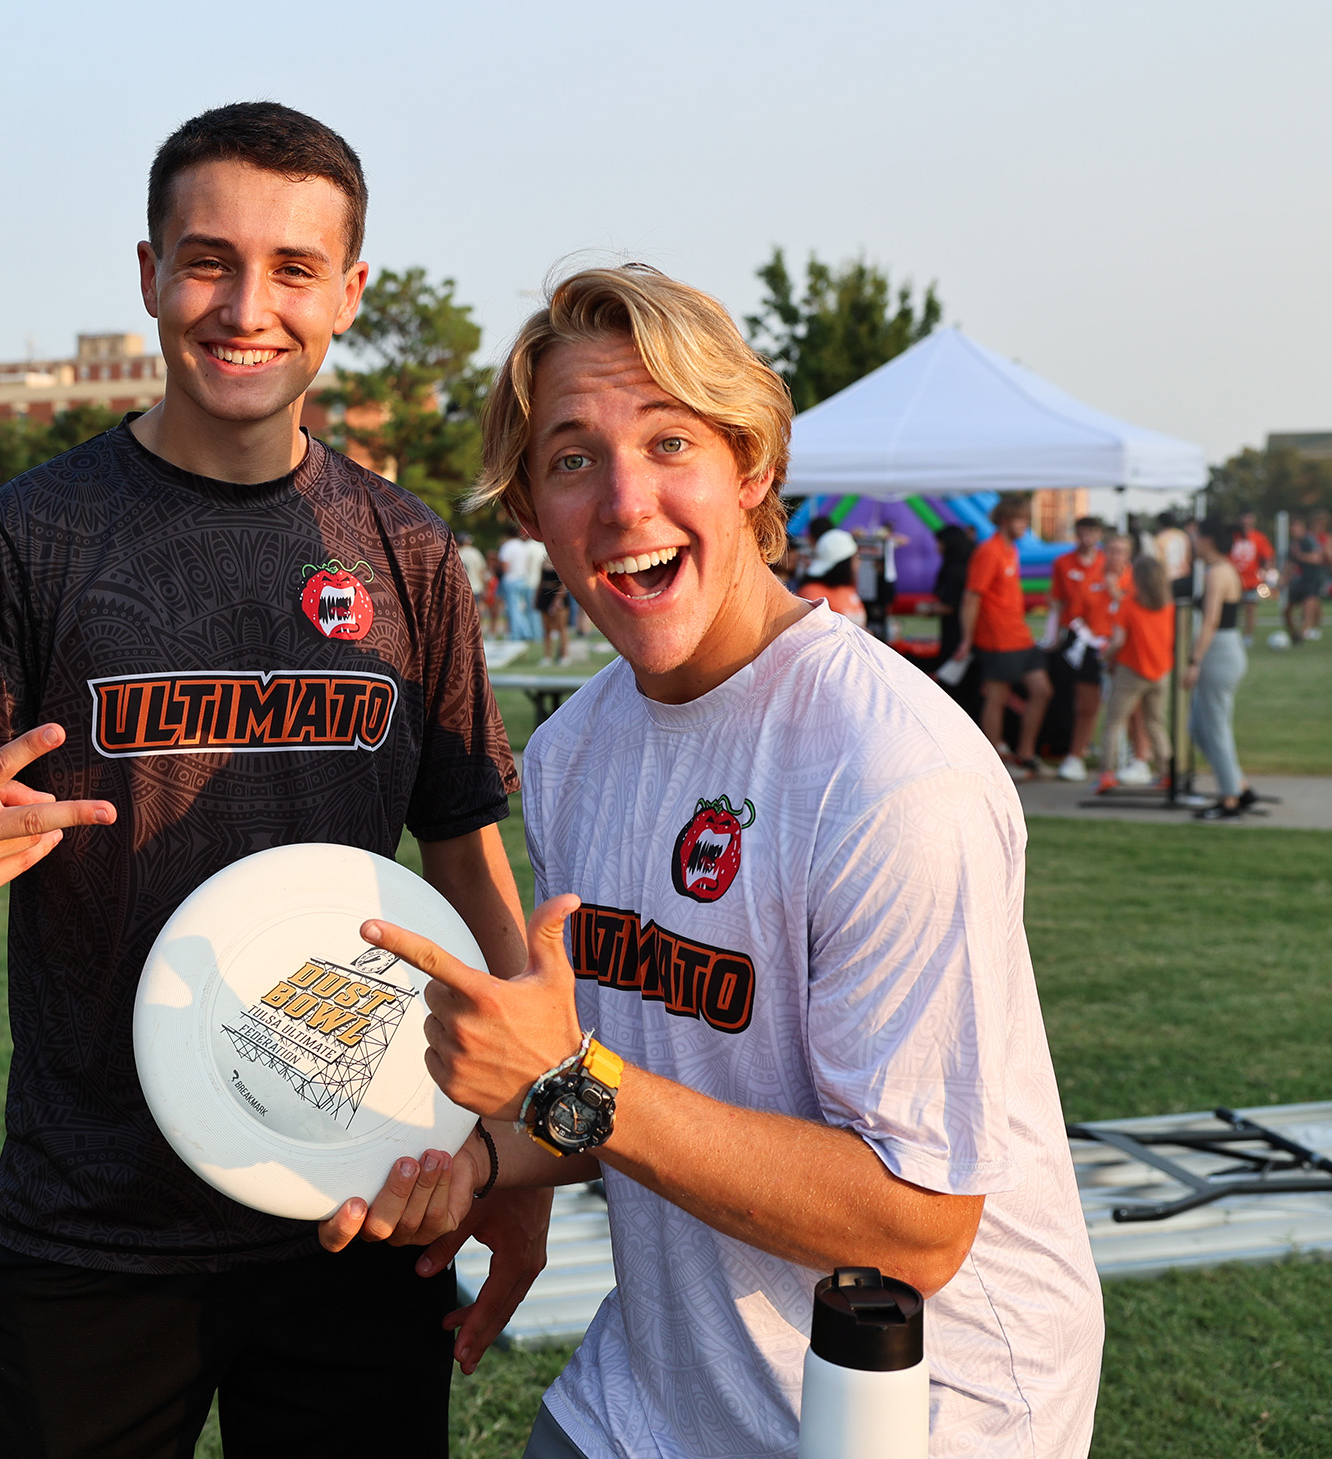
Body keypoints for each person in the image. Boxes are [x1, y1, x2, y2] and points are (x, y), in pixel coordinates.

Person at [0, 102, 547, 1458]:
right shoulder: (30, 537)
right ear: (151, 272)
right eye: (208, 258)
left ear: (348, 292)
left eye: (292, 268)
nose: (245, 305)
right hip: (91, 1226)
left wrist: (509, 1153)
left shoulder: (402, 547)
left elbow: (463, 851)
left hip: (357, 1192)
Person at [370, 264, 1099, 1458]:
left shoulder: (889, 772)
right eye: (570, 458)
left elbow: (914, 1226)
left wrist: (566, 1074)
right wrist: (483, 1154)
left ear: (750, 467)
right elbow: (623, 1093)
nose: (621, 501)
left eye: (668, 443)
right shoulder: (571, 758)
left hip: (907, 1411)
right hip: (652, 1392)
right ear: (529, 512)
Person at [955, 496, 1052, 778]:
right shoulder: (989, 551)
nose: (1026, 525)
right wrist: (967, 638)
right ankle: (995, 763)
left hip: (1020, 635)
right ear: (1007, 520)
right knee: (997, 697)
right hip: (998, 638)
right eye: (1021, 519)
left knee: (1042, 691)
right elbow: (972, 597)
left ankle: (1025, 755)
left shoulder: (1011, 551)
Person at [1186, 518, 1253, 821]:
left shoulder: (1217, 573)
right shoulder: (1221, 570)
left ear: (1209, 541)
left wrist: (1194, 661)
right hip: (1224, 649)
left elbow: (1211, 620)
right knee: (1199, 728)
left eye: (1198, 538)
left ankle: (1230, 799)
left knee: (1215, 728)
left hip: (1219, 652)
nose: (1194, 543)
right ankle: (1238, 784)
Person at [1042, 516, 1112, 782]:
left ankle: (1083, 750)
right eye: (1082, 533)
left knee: (1094, 700)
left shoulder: (1108, 563)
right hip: (1073, 637)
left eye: (1092, 533)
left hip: (1101, 640)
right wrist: (1052, 636)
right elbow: (1057, 601)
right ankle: (1069, 749)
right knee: (1070, 696)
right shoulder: (1062, 563)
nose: (1087, 539)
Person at [1097, 554, 1173, 792]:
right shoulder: (1169, 605)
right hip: (1160, 672)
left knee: (1114, 723)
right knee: (1155, 724)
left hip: (1131, 671)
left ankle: (1106, 773)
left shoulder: (1129, 603)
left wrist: (1104, 657)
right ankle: (1167, 772)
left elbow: (1118, 641)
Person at [797, 526, 866, 625]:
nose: (858, 563)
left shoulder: (848, 589)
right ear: (844, 563)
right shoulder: (812, 594)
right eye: (855, 558)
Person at [927, 521, 975, 660]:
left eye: (940, 543)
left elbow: (951, 605)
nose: (937, 547)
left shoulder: (955, 571)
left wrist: (929, 610)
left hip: (958, 631)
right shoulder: (962, 564)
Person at [1283, 512, 1330, 643]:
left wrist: (1300, 556)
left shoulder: (1309, 540)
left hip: (1312, 579)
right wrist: (1284, 578)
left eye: (1297, 527)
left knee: (1309, 608)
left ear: (1303, 528)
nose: (1294, 530)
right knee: (1287, 611)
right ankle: (1294, 634)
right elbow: (1288, 563)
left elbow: (1317, 558)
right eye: (1292, 528)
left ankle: (1303, 633)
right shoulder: (1292, 544)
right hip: (1298, 581)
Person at [1230, 509, 1273, 643]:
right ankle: (1232, 635)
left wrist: (1266, 572)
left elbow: (1268, 556)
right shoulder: (1232, 537)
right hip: (1233, 580)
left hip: (1252, 581)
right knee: (1232, 610)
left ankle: (1248, 637)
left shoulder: (1259, 538)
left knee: (1250, 609)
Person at [498, 519, 545, 642]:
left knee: (514, 609)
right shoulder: (523, 547)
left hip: (512, 579)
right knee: (528, 610)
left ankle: (520, 633)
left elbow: (505, 566)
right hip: (524, 579)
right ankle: (533, 632)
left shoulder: (507, 547)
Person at [455, 530, 492, 638]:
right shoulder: (475, 552)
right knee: (477, 611)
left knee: (464, 613)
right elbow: (482, 571)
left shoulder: (457, 553)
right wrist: (486, 586)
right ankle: (477, 632)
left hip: (462, 587)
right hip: (476, 586)